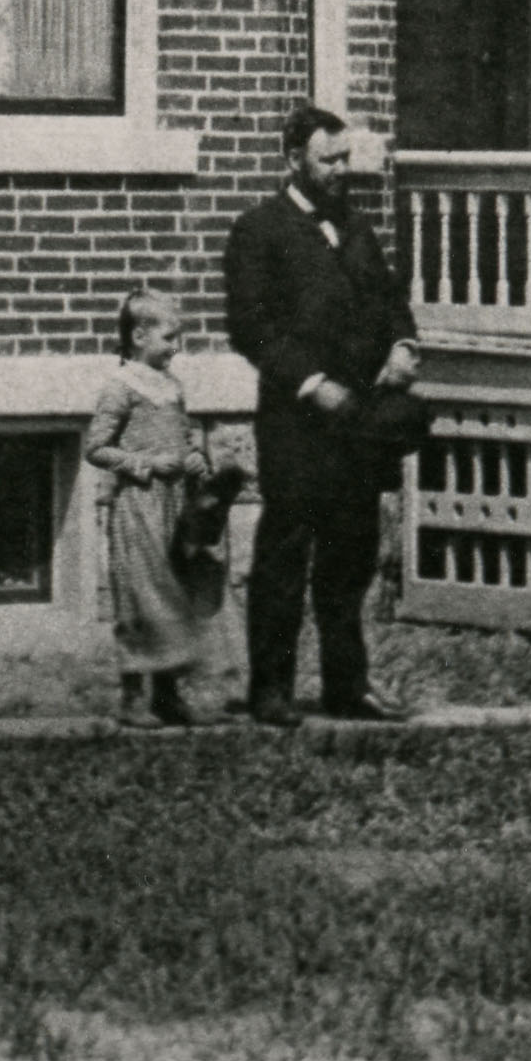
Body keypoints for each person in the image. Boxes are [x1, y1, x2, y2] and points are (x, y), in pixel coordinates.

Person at [219, 106, 426, 728]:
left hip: (359, 421)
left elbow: (391, 302)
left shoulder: (357, 228)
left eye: (344, 159)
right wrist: (311, 384)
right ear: (293, 161)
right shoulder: (259, 231)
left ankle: (347, 686)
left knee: (351, 555)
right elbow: (250, 328)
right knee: (285, 554)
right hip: (297, 425)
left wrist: (402, 347)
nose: (341, 171)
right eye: (327, 160)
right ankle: (272, 690)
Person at [82, 284, 213, 727]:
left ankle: (168, 693)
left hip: (176, 506)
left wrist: (195, 457)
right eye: (169, 337)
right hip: (138, 505)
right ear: (139, 337)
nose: (176, 347)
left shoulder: (173, 386)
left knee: (174, 594)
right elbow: (97, 448)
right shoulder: (122, 387)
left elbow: (187, 435)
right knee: (140, 597)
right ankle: (133, 695)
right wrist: (145, 463)